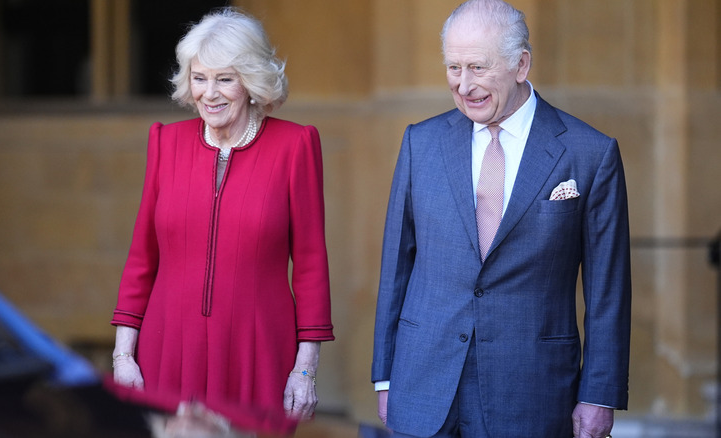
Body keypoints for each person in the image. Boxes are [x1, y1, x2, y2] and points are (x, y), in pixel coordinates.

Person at [371, 0, 631, 437]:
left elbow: (608, 290)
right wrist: (385, 376)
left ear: (520, 65)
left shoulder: (590, 153)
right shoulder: (421, 143)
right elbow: (396, 267)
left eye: (477, 67)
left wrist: (598, 393)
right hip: (423, 385)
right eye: (453, 68)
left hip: (531, 391)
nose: (464, 84)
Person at [110, 7, 334, 427]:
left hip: (257, 349)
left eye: (224, 79)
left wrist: (305, 368)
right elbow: (142, 256)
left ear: (251, 82)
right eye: (199, 78)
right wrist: (124, 354)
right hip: (168, 348)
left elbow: (309, 264)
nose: (209, 93)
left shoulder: (295, 145)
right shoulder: (165, 142)